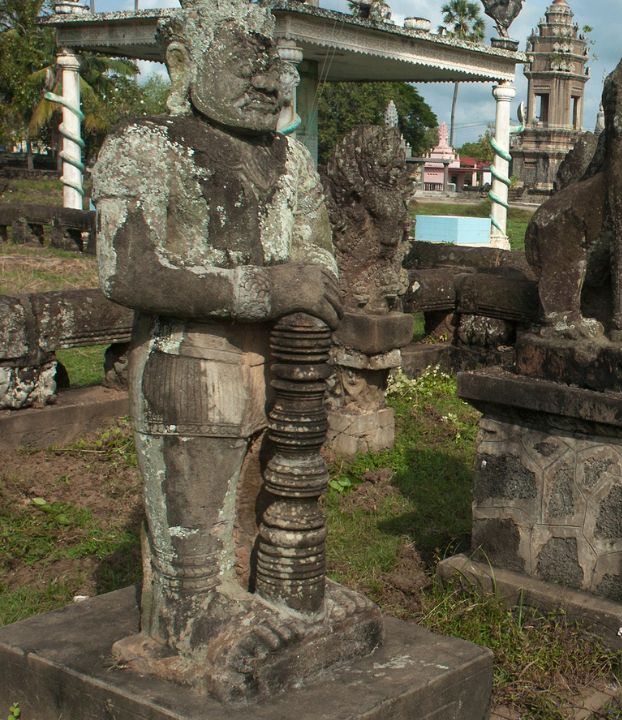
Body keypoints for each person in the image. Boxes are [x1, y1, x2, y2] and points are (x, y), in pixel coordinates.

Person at [92, 0, 341, 665]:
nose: (270, 82)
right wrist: (268, 288)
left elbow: (317, 260)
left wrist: (298, 294)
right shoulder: (147, 143)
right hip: (190, 363)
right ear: (184, 60)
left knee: (285, 506)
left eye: (275, 65)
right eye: (246, 62)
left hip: (285, 368)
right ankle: (191, 608)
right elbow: (129, 272)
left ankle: (280, 584)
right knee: (196, 515)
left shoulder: (289, 159)